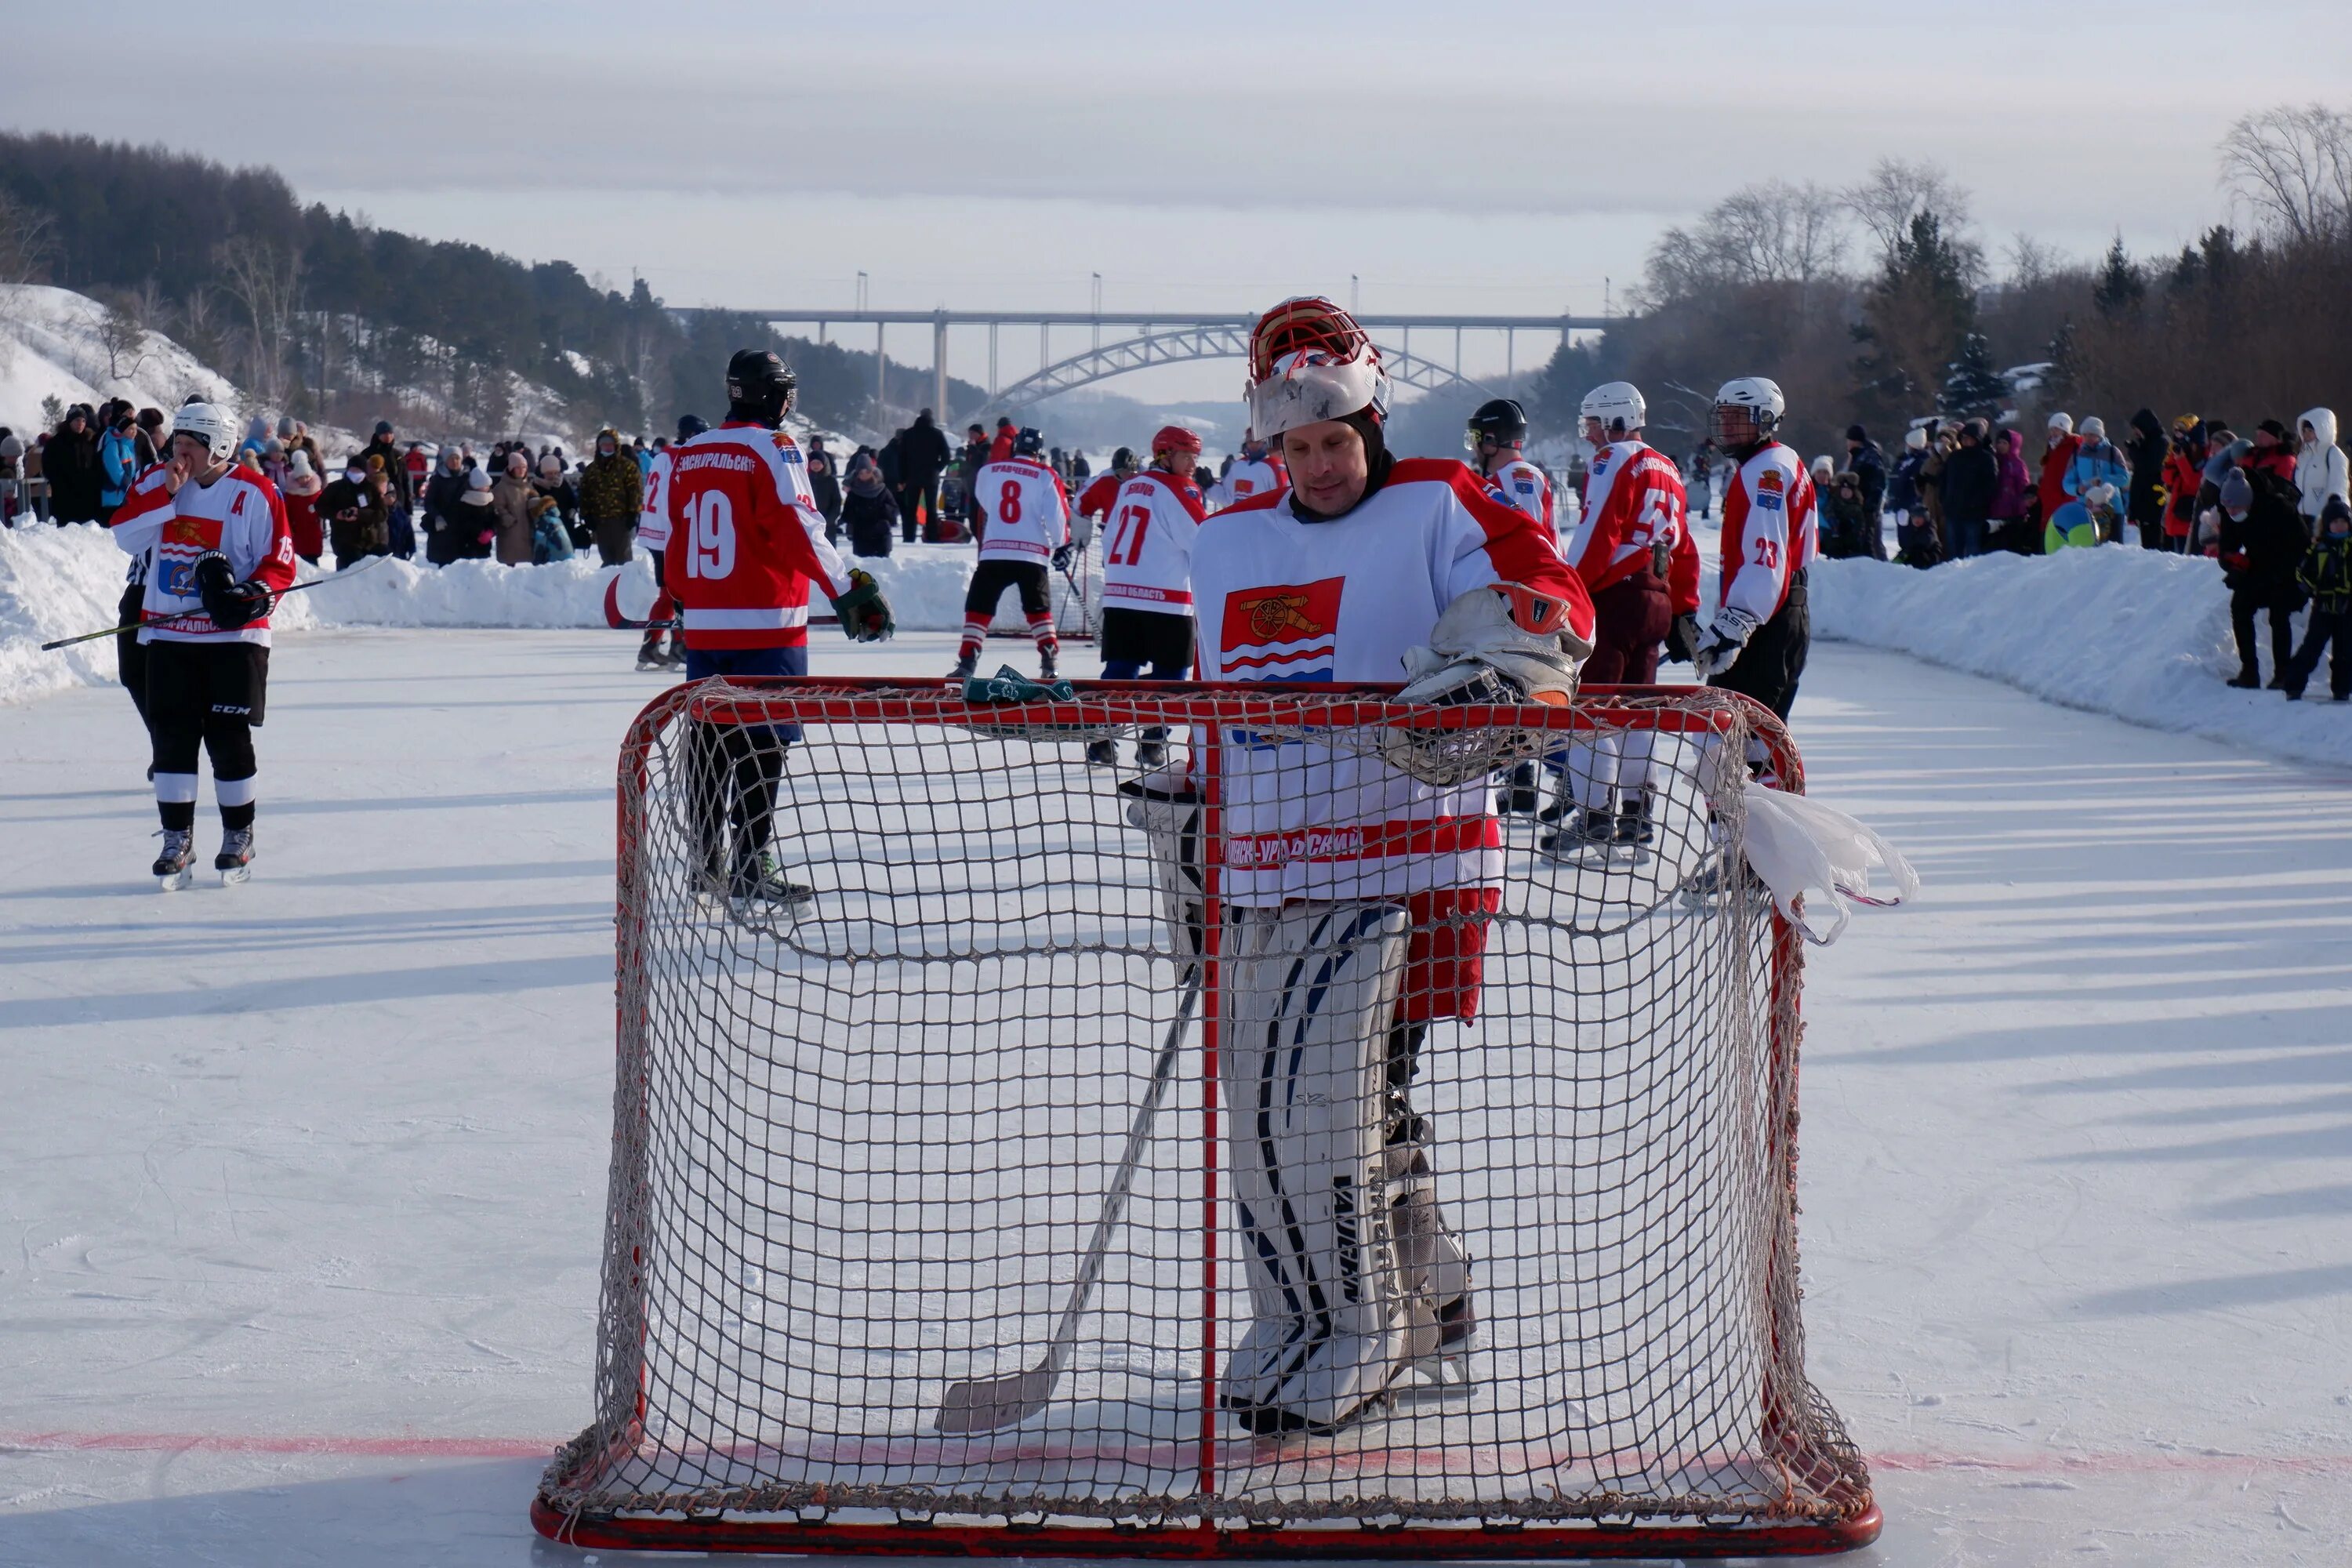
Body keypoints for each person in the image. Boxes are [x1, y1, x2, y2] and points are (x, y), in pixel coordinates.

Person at [1163, 295, 1592, 1436]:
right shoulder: (1229, 532)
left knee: (1333, 1105)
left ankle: (1373, 1319)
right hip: (1266, 864)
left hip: (1407, 856)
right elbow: (1219, 692)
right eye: (1295, 444)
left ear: (1373, 423)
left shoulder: (1439, 499)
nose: (1317, 464)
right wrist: (1196, 806)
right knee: (1262, 1111)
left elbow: (1550, 607)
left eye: (1335, 440)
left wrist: (1511, 662)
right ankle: (1337, 1304)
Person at [644, 348, 892, 906]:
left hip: (706, 624)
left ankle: (705, 859)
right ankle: (752, 864)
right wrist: (849, 590)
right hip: (768, 623)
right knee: (765, 744)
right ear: (772, 395)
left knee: (709, 737)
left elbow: (672, 537)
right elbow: (798, 526)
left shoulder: (691, 450)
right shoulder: (774, 448)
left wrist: (685, 597)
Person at [105, 402, 296, 886]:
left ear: (220, 447)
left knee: (228, 739)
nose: (180, 452)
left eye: (190, 445)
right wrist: (165, 494)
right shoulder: (159, 479)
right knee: (172, 738)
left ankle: (239, 835)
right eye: (178, 443)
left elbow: (279, 562)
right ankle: (177, 840)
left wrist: (250, 597)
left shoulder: (255, 492)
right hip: (168, 632)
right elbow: (125, 536)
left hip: (234, 638)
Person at [1544, 379, 1694, 855]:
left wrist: (1568, 592)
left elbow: (1598, 531)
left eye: (1592, 425)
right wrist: (1685, 608)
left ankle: (1594, 816)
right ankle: (1637, 815)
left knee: (1589, 712)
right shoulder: (1668, 467)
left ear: (1614, 421)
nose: (1588, 436)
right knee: (1637, 715)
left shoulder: (1615, 459)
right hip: (1657, 596)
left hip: (1616, 596)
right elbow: (1683, 546)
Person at [1692, 376, 1817, 760]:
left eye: (1739, 417)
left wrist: (1740, 618)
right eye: (1723, 416)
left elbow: (1769, 553)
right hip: (1779, 615)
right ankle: (1739, 821)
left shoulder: (1768, 471)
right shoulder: (1774, 462)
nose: (1728, 425)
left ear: (1766, 420)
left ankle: (1749, 822)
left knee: (1732, 743)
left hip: (1770, 622)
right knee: (1735, 741)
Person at [1084, 425, 1206, 768]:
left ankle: (1102, 739)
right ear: (1165, 456)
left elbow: (1110, 539)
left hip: (1121, 594)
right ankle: (1152, 743)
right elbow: (1202, 538)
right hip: (1165, 598)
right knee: (1172, 676)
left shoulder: (1130, 487)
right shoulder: (1180, 488)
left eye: (1195, 457)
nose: (1193, 464)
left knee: (1120, 670)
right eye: (1187, 456)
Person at [950, 427, 1069, 681]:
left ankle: (968, 661)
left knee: (979, 606)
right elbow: (1057, 515)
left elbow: (984, 498)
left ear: (1016, 446)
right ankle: (1049, 660)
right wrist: (1061, 544)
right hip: (1032, 553)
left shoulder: (991, 470)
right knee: (1038, 608)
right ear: (1039, 451)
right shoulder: (1046, 475)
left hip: (995, 550)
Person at [2216, 466, 2308, 689]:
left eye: (2236, 507)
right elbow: (2227, 547)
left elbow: (2302, 545)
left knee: (2279, 612)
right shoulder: (2230, 511)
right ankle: (2249, 671)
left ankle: (2283, 673)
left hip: (2287, 568)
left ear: (2248, 500)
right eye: (2228, 508)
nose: (2232, 511)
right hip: (2257, 566)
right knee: (2240, 606)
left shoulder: (2278, 507)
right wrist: (2233, 565)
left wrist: (2286, 576)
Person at [630, 414, 704, 670]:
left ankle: (659, 646)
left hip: (654, 531)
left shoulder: (664, 455)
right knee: (677, 593)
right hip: (669, 533)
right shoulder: (683, 457)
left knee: (670, 593)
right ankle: (672, 646)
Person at [2282, 496, 2352, 702]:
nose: (2339, 526)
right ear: (2327, 525)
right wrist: (2306, 590)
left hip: (2348, 608)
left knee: (2346, 651)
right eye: (2335, 522)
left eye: (2343, 522)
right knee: (2312, 648)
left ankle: (2342, 688)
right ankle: (2293, 685)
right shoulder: (2319, 549)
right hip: (2323, 607)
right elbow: (2304, 575)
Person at [1466, 397, 1555, 541]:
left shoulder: (1511, 481)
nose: (1474, 449)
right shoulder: (1536, 476)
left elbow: (1527, 543)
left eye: (1475, 439)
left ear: (1490, 439)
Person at [579, 428, 644, 566]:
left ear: (616, 445)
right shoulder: (592, 470)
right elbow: (585, 494)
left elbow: (635, 492)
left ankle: (625, 586)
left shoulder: (627, 467)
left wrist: (634, 513)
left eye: (610, 444)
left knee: (624, 560)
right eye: (603, 444)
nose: (607, 447)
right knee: (607, 559)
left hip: (621, 520)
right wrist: (586, 515)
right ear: (599, 446)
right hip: (600, 522)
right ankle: (607, 586)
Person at [2062, 418, 2131, 542]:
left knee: (2114, 548)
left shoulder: (2112, 452)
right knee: (2089, 550)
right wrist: (2077, 489)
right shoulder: (2077, 455)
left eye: (2092, 435)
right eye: (2085, 435)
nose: (2087, 438)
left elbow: (2125, 478)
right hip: (2085, 509)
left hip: (2112, 509)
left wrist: (2104, 479)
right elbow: (2067, 482)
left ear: (2099, 435)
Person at [1940, 422, 1998, 560]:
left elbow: (1991, 485)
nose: (1966, 441)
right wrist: (1944, 500)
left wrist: (1978, 504)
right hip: (1953, 510)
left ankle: (1971, 578)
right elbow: (1943, 479)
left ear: (1977, 439)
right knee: (1953, 549)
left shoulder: (1986, 459)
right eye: (1964, 438)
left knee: (1973, 550)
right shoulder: (1955, 457)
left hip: (1974, 513)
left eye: (1970, 438)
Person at [359, 420, 415, 558]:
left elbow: (405, 481)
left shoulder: (398, 455)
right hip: (376, 503)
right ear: (378, 435)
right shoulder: (368, 454)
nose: (388, 436)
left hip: (398, 502)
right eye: (385, 433)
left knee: (398, 537)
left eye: (390, 433)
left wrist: (409, 508)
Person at [319, 457, 389, 566]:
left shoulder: (371, 489)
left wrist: (360, 514)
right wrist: (338, 514)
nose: (355, 473)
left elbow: (382, 514)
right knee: (354, 561)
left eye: (358, 471)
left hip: (370, 540)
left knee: (384, 557)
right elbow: (320, 507)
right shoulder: (335, 487)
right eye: (352, 470)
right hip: (344, 540)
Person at [896, 408, 952, 542]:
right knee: (931, 510)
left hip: (912, 476)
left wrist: (902, 478)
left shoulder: (908, 434)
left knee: (911, 510)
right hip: (931, 477)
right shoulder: (937, 434)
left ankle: (909, 537)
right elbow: (946, 455)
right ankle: (932, 537)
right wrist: (937, 468)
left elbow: (901, 458)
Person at [45, 405, 103, 524]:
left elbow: (95, 467)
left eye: (83, 421)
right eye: (77, 420)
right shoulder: (56, 443)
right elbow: (49, 468)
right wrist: (61, 485)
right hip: (65, 498)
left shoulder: (89, 442)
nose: (80, 424)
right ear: (70, 421)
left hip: (87, 499)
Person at [1889, 426, 1936, 566]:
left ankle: (1914, 560)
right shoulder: (1905, 461)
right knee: (1903, 536)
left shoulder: (1921, 461)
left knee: (1913, 536)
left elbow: (1917, 485)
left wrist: (1914, 504)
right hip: (1901, 505)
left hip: (1913, 506)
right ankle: (1905, 557)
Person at [1209, 428, 1285, 511]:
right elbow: (1227, 498)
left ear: (1265, 442)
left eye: (1257, 441)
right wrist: (1209, 486)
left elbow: (1284, 499)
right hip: (1240, 519)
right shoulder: (1238, 466)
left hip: (1263, 520)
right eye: (1250, 441)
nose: (1253, 445)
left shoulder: (1275, 466)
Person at [840, 455, 900, 557]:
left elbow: (894, 509)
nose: (864, 475)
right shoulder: (854, 492)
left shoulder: (882, 490)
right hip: (861, 536)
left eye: (867, 472)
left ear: (872, 471)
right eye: (861, 473)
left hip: (881, 535)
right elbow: (847, 514)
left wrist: (883, 511)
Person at [2125, 409, 2169, 550]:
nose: (2136, 433)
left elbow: (2150, 466)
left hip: (2153, 496)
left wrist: (2134, 451)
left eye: (2137, 429)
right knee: (2146, 538)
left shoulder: (2160, 442)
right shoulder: (2147, 442)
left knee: (2154, 537)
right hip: (2143, 497)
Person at [1843, 424, 1888, 559]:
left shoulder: (1870, 456)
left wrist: (1871, 503)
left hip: (1868, 505)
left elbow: (1878, 481)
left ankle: (1877, 567)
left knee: (1870, 540)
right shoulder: (1858, 455)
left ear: (1854, 440)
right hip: (1859, 505)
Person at [419, 448, 470, 565]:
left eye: (457, 458)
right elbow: (429, 502)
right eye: (451, 459)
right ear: (445, 461)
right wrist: (437, 517)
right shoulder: (438, 479)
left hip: (462, 525)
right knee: (442, 562)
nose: (455, 461)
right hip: (443, 527)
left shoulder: (467, 478)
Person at [2297, 408, 2347, 525]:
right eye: (2304, 431)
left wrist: (2335, 509)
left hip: (2324, 518)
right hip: (2302, 517)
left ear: (2322, 429)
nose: (2306, 434)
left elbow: (2338, 484)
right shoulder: (2303, 456)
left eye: (2310, 430)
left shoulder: (2333, 453)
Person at [2035, 412, 2080, 539]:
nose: (2053, 432)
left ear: (2065, 430)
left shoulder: (2074, 447)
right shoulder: (2051, 447)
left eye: (2057, 428)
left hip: (2064, 496)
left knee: (2061, 531)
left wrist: (2066, 493)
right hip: (2049, 496)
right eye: (2052, 429)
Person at [1989, 428, 2033, 551]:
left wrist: (2022, 510)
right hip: (1994, 510)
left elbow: (2024, 488)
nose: (2001, 446)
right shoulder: (1994, 460)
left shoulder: (2018, 464)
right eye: (1999, 442)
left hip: (2012, 512)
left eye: (2005, 443)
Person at [491, 452, 537, 564]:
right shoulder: (501, 488)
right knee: (509, 563)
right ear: (511, 469)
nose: (522, 470)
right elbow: (497, 507)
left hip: (527, 530)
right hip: (510, 532)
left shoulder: (528, 486)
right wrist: (507, 518)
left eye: (524, 467)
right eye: (518, 468)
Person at [99, 407, 141, 524]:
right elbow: (116, 472)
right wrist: (130, 488)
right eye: (130, 429)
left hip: (126, 498)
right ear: (122, 430)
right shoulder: (112, 446)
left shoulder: (130, 447)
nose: (134, 432)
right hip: (113, 498)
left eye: (135, 429)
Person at [281, 452, 325, 564]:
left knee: (313, 559)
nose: (305, 480)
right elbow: (287, 512)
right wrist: (290, 528)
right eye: (301, 477)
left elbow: (323, 510)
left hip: (313, 531)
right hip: (298, 531)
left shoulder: (316, 492)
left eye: (307, 477)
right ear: (296, 478)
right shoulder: (291, 495)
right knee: (300, 561)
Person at [2045, 482, 2115, 551]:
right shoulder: (2091, 514)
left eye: (2089, 500)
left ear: (2095, 502)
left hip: (2097, 544)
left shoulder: (2100, 515)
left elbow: (2102, 532)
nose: (2086, 503)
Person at [805, 435, 843, 542]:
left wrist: (828, 520)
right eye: (813, 463)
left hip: (828, 525)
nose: (816, 466)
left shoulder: (831, 481)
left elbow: (836, 502)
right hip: (808, 524)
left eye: (818, 463)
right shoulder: (805, 479)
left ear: (824, 464)